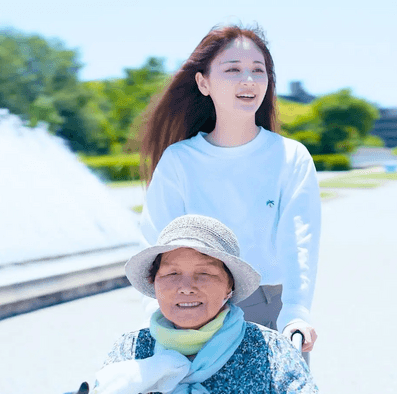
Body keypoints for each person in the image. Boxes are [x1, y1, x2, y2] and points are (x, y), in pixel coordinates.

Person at [59, 215, 338, 394]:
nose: (187, 286)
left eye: (205, 274)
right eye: (171, 274)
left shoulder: (269, 350)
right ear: (154, 283)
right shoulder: (131, 350)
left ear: (229, 287)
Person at [136, 24, 320, 352]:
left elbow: (300, 243)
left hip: (269, 310)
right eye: (233, 69)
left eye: (258, 71)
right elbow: (156, 242)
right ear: (203, 83)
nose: (248, 80)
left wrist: (295, 311)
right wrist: (157, 316)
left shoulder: (291, 156)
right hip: (193, 314)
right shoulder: (179, 160)